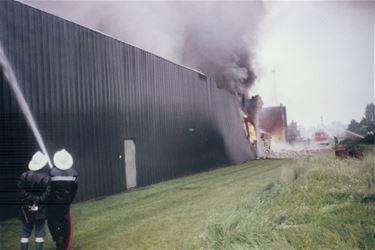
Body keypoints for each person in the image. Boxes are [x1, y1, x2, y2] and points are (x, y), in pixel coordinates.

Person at [18, 151, 51, 250]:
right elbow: (48, 193)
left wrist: (31, 198)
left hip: (26, 208)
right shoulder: (47, 177)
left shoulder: (24, 175)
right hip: (40, 208)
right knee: (39, 233)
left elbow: (20, 190)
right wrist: (38, 199)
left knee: (25, 232)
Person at [48, 149, 78, 250]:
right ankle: (65, 243)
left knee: (52, 222)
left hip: (53, 204)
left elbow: (49, 189)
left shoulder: (51, 173)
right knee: (65, 223)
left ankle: (58, 240)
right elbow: (74, 190)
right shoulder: (74, 173)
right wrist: (69, 200)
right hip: (66, 203)